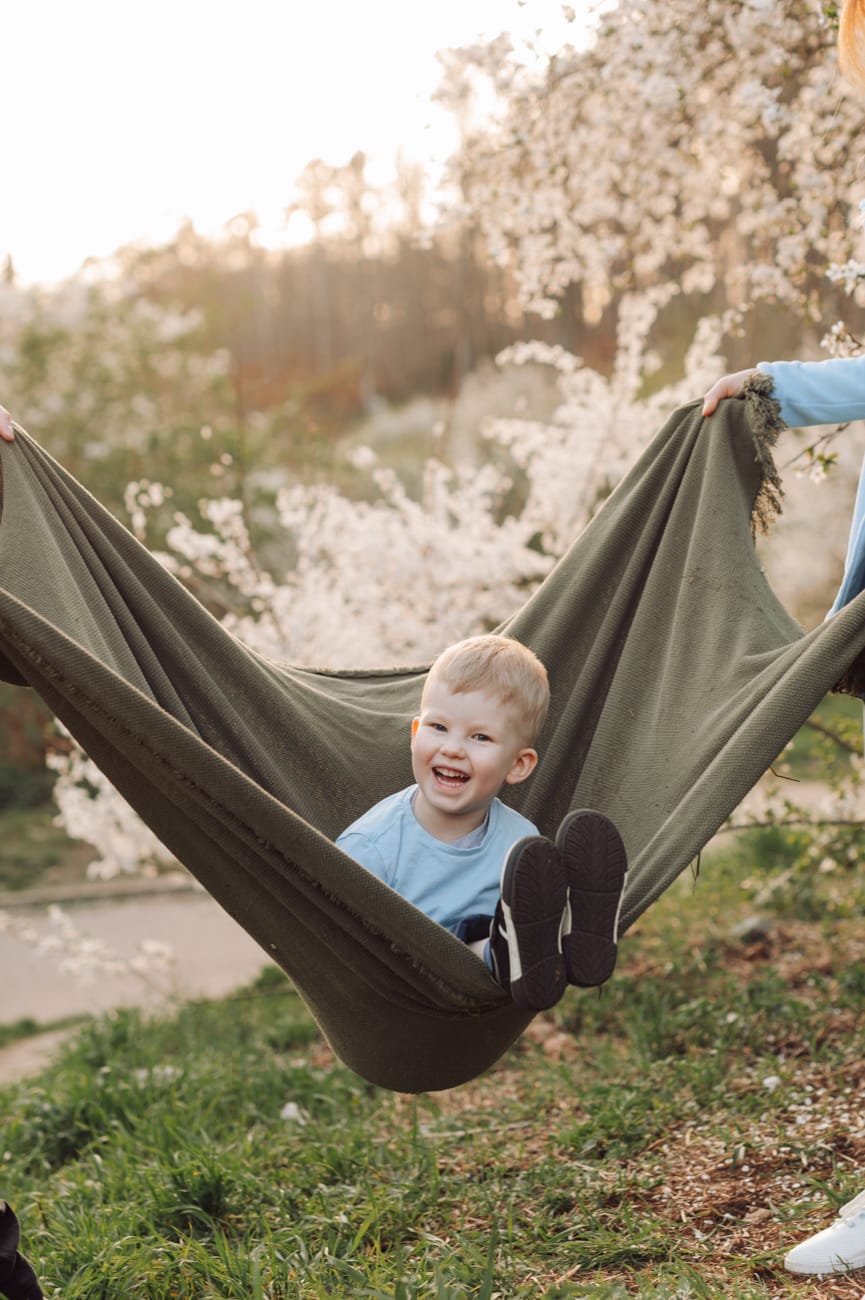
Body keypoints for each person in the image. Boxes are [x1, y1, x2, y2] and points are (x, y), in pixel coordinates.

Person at [336, 633, 628, 1013]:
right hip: (411, 990)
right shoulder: (369, 848)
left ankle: (578, 937)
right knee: (484, 944)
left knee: (523, 917)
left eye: (480, 737)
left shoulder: (522, 843)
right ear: (414, 734)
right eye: (438, 727)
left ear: (518, 765)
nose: (453, 748)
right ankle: (515, 950)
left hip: (500, 973)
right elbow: (342, 948)